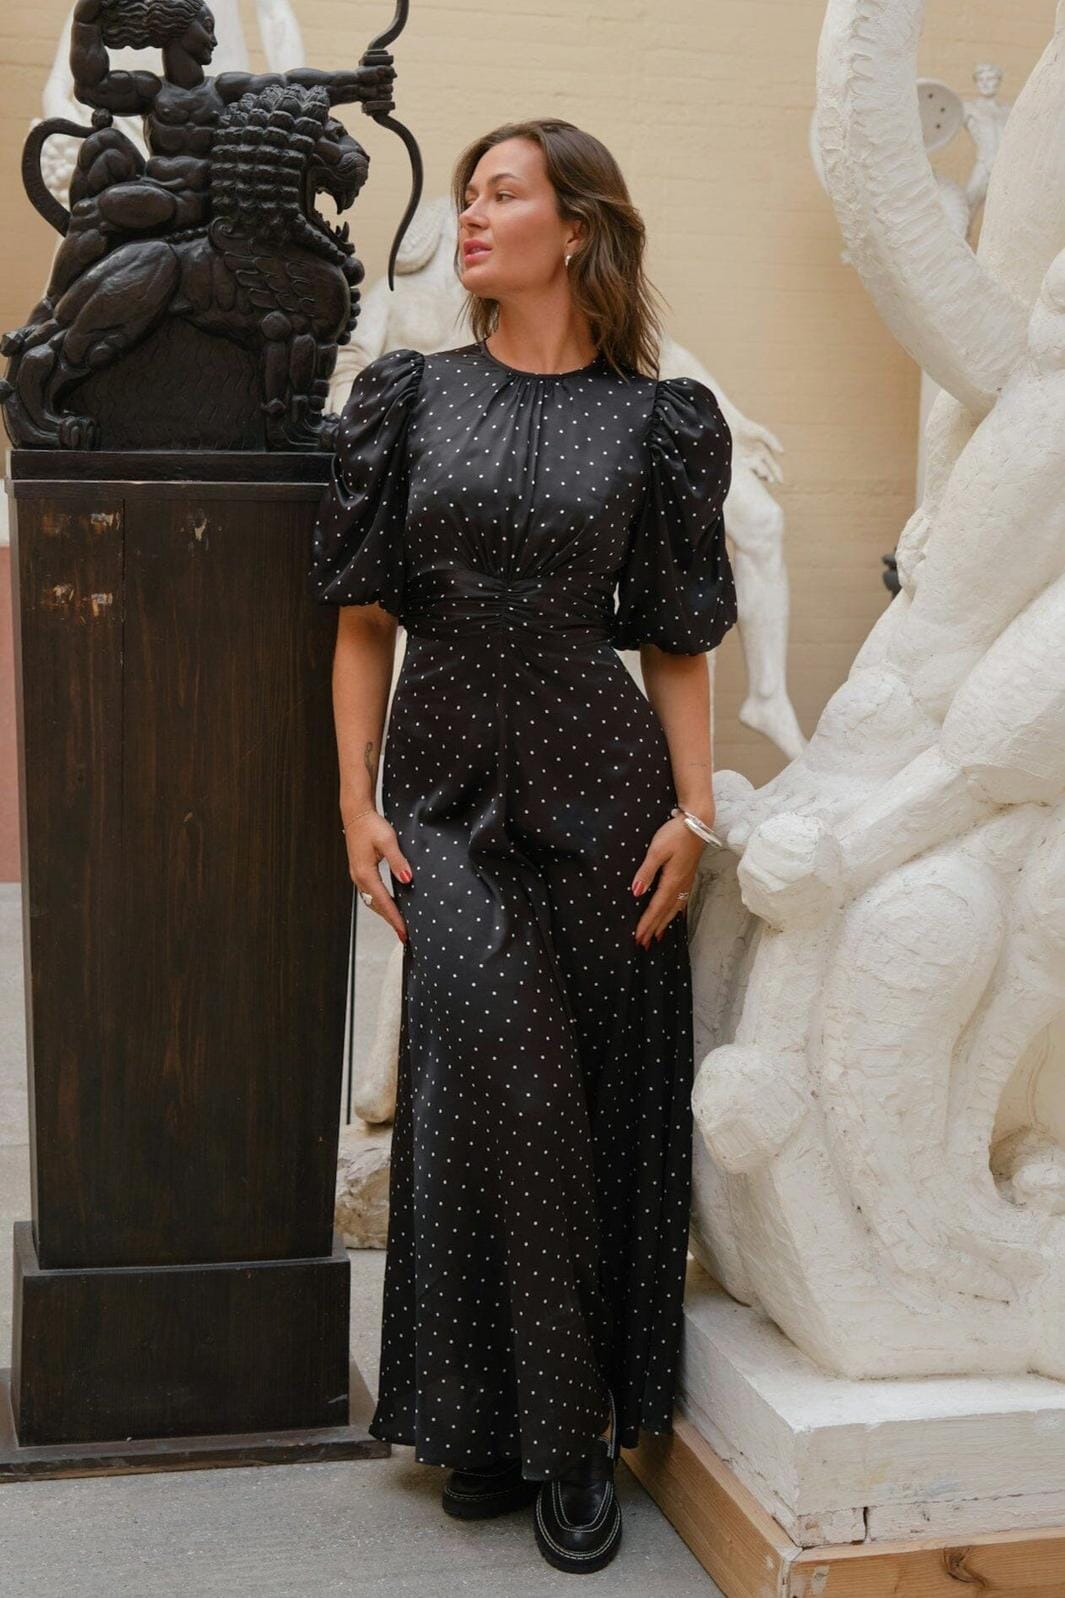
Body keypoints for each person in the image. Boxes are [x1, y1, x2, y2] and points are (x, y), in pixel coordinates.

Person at [307, 118, 738, 1577]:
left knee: (593, 1105)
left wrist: (693, 813)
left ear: (578, 228)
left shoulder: (656, 422)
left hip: (606, 797)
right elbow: (363, 618)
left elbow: (675, 637)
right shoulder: (410, 397)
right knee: (503, 1082)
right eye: (470, 195)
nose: (473, 217)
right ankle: (565, 1441)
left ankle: (503, 1425)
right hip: (441, 796)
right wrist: (355, 804)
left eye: (503, 194)